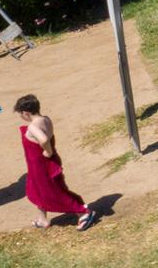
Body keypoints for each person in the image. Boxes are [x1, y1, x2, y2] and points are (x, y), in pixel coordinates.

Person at [14, 94, 99, 230]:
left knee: (53, 191)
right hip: (43, 164)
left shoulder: (32, 127)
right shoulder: (46, 119)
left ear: (25, 113)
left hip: (42, 165)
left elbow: (43, 140)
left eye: (20, 114)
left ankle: (83, 212)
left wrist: (47, 151)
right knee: (40, 191)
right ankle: (42, 220)